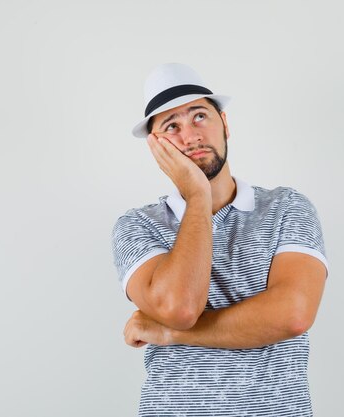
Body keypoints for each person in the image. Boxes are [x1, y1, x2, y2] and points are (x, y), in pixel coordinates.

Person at [111, 63, 329, 417]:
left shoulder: (287, 207)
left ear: (224, 124)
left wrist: (173, 335)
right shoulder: (137, 226)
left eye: (199, 116)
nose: (191, 135)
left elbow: (293, 315)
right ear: (156, 147)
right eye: (172, 127)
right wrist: (197, 197)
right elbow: (180, 309)